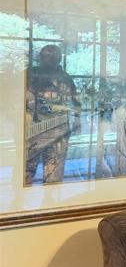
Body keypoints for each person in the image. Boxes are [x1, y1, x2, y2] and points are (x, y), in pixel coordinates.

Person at [25, 44, 82, 185]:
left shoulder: (66, 78)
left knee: (53, 176)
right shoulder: (29, 75)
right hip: (32, 132)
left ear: (59, 60)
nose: (49, 61)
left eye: (53, 58)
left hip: (57, 132)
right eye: (46, 57)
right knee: (25, 173)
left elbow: (76, 103)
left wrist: (76, 120)